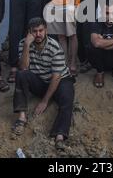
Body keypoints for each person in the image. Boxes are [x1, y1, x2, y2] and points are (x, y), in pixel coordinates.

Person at [12, 17, 75, 151]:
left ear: (46, 30)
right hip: (40, 80)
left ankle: (59, 136)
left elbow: (56, 77)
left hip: (60, 80)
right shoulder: (23, 43)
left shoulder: (54, 46)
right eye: (35, 31)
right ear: (29, 32)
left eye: (41, 30)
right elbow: (23, 68)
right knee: (21, 74)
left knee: (67, 99)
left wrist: (45, 101)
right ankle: (21, 118)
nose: (38, 34)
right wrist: (27, 46)